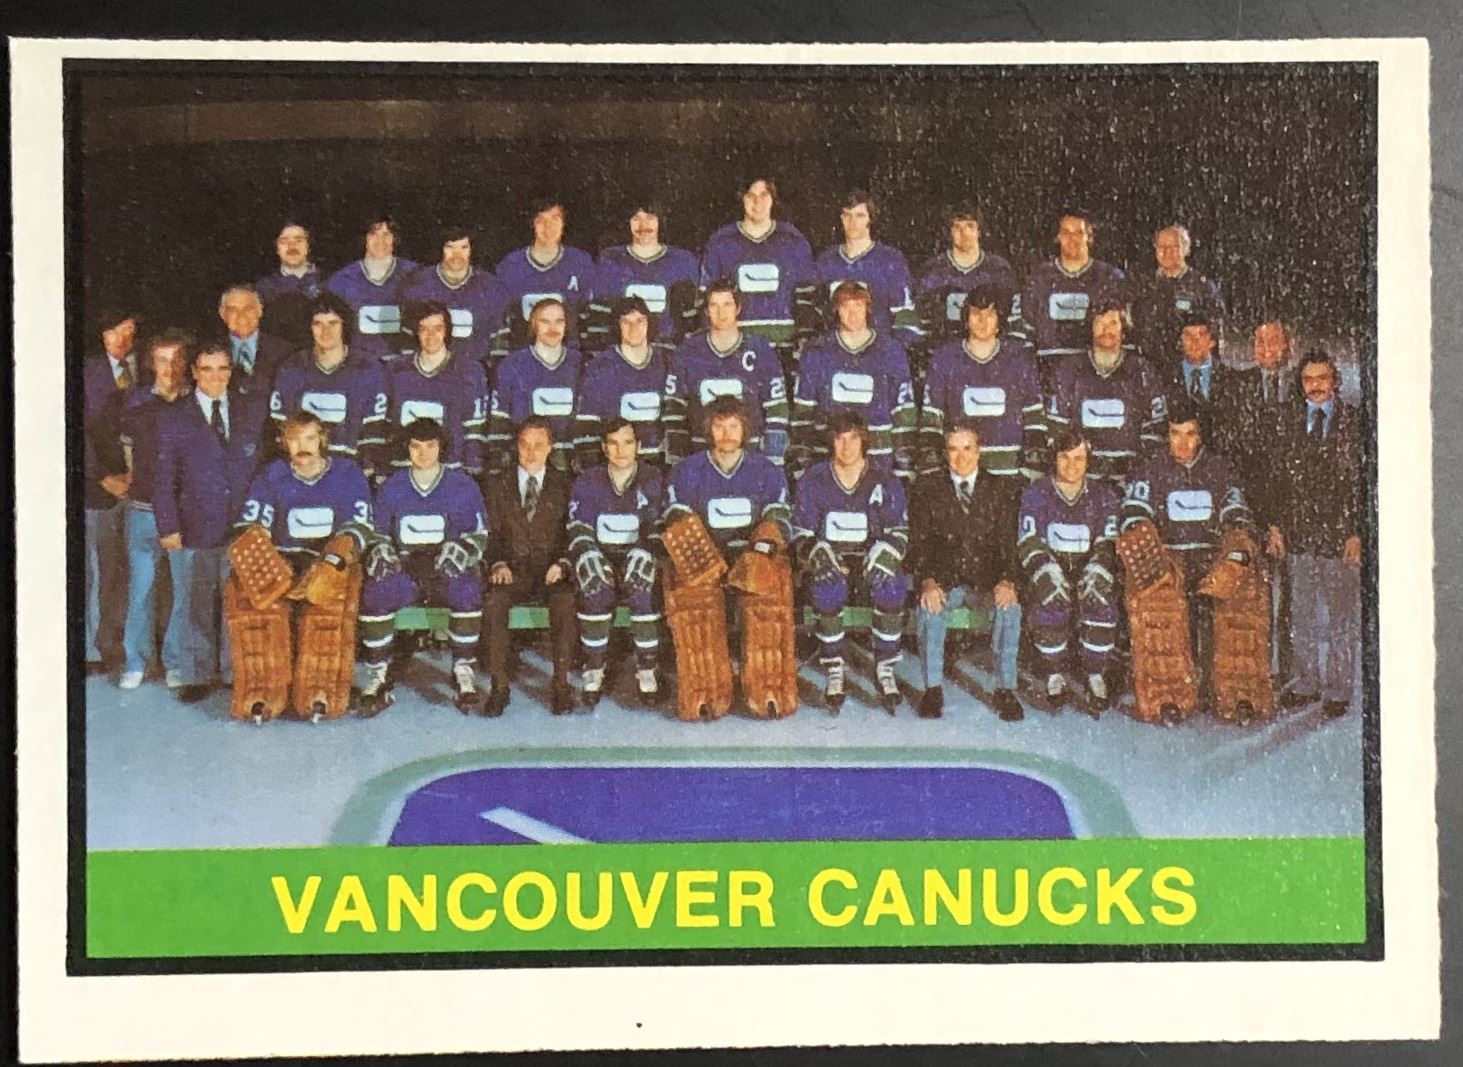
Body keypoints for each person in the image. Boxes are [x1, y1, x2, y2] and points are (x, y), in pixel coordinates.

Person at [228, 409, 373, 721]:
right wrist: (264, 556)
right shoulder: (272, 474)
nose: (302, 446)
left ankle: (320, 691)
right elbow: (254, 522)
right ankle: (261, 690)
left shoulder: (347, 474)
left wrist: (332, 560)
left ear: (322, 440)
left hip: (326, 561)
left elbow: (358, 526)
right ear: (284, 442)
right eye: (294, 439)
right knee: (255, 597)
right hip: (282, 561)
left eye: (309, 438)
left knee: (328, 604)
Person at [1119, 402, 1260, 724]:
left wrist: (1237, 550)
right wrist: (1150, 547)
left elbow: (1237, 513)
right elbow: (1133, 513)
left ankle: (1240, 693)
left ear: (1200, 436)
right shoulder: (1150, 470)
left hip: (1212, 557)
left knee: (1242, 593)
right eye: (1175, 434)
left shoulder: (1219, 469)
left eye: (1190, 434)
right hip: (1171, 558)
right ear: (1166, 436)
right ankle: (1167, 695)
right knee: (1159, 599)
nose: (1182, 443)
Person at [661, 396, 796, 721]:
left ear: (745, 429)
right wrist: (702, 557)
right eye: (719, 426)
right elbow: (677, 514)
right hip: (706, 556)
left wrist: (762, 547)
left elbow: (779, 515)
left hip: (751, 554)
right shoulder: (688, 470)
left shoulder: (766, 470)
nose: (726, 433)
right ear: (708, 429)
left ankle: (768, 691)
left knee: (768, 590)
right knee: (694, 601)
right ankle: (706, 694)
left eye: (733, 426)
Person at [154, 342, 271, 703]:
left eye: (222, 369)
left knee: (238, 601)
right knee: (196, 602)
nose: (215, 377)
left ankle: (236, 671)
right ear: (194, 372)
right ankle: (197, 674)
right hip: (194, 525)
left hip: (241, 525)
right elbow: (163, 477)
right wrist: (168, 525)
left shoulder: (250, 412)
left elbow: (263, 469)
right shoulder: (175, 417)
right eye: (207, 369)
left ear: (231, 372)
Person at [356, 418, 489, 716]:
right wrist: (382, 551)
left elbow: (479, 533)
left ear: (441, 448)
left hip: (445, 568)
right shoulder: (392, 486)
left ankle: (463, 670)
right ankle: (378, 673)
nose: (423, 453)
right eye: (416, 446)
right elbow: (377, 531)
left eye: (430, 446)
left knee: (467, 590)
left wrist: (462, 551)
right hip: (406, 567)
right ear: (407, 448)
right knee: (376, 592)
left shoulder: (462, 485)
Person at [1261, 351, 1363, 718]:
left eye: (1322, 378)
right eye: (1308, 379)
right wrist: (1274, 525)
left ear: (1335, 381)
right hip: (1299, 534)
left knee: (1341, 618)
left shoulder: (1355, 423)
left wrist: (1357, 532)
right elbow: (1275, 478)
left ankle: (1338, 689)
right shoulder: (1287, 422)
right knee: (1301, 614)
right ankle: (1306, 683)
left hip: (1340, 535)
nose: (1315, 385)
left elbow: (1364, 483)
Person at [792, 412, 910, 712]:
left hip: (869, 560)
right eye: (840, 439)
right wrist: (819, 554)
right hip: (833, 559)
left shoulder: (885, 480)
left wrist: (884, 553)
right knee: (827, 587)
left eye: (853, 438)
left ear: (864, 440)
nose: (846, 446)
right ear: (831, 441)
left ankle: (885, 666)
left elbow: (899, 529)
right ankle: (835, 667)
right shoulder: (814, 479)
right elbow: (802, 532)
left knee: (891, 586)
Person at [906, 421, 1024, 721]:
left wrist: (1007, 581)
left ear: (979, 451)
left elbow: (1009, 544)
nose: (961, 457)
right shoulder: (928, 489)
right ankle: (933, 689)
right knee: (929, 606)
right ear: (945, 453)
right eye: (953, 449)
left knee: (1010, 608)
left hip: (987, 583)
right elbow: (919, 545)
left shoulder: (1000, 489)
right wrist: (928, 582)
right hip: (947, 583)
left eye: (967, 448)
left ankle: (1005, 690)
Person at [1017, 428, 1122, 715]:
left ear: (1088, 460)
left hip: (1088, 569)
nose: (1071, 466)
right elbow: (1029, 539)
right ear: (1054, 458)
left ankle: (1095, 673)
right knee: (1050, 597)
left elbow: (1108, 541)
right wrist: (1047, 570)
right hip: (1052, 567)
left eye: (1079, 458)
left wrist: (1097, 569)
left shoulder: (1103, 495)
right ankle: (1054, 671)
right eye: (1064, 457)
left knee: (1100, 597)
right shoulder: (1037, 493)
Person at [480, 416, 577, 717]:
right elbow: (489, 533)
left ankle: (561, 684)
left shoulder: (566, 484)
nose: (531, 453)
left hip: (551, 571)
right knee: (494, 600)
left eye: (538, 445)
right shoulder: (498, 484)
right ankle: (499, 686)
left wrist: (563, 563)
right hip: (513, 570)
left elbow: (575, 531)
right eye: (524, 445)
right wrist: (497, 563)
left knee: (565, 601)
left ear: (550, 447)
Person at [567, 419, 666, 707]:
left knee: (643, 591)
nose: (620, 450)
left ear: (638, 446)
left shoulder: (653, 478)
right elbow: (579, 525)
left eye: (627, 443)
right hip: (603, 555)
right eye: (613, 443)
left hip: (638, 556)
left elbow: (660, 524)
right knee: (594, 588)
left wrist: (647, 550)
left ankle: (647, 669)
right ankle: (594, 668)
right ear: (604, 448)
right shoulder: (588, 480)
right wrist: (589, 554)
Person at [919, 281, 1047, 494]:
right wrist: (935, 474)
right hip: (961, 475)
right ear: (966, 319)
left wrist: (1029, 474)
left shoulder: (1019, 359)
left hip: (1009, 475)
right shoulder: (945, 359)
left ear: (1000, 320)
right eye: (976, 314)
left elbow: (1034, 419)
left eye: (990, 314)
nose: (982, 320)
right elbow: (931, 421)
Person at [116, 330, 190, 689]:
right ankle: (135, 661)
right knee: (141, 589)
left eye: (176, 360)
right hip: (143, 510)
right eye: (162, 360)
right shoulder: (136, 402)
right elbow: (128, 453)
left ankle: (175, 661)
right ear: (151, 363)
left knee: (181, 591)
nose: (169, 368)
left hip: (182, 513)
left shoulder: (194, 402)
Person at [791, 281, 917, 481]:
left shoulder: (891, 351)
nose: (852, 314)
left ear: (868, 308)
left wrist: (903, 464)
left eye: (858, 305)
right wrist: (803, 459)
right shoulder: (817, 351)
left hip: (879, 459)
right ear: (836, 310)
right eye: (845, 306)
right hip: (829, 459)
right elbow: (803, 413)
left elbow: (903, 412)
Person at [663, 278, 789, 465]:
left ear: (738, 308)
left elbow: (777, 408)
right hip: (701, 458)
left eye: (727, 304)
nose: (721, 313)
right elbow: (674, 409)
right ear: (706, 311)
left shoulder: (761, 350)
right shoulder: (688, 352)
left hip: (750, 458)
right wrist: (678, 461)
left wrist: (772, 460)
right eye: (714, 305)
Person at [1047, 298, 1168, 487]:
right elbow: (1058, 428)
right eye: (1100, 323)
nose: (1106, 330)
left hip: (1130, 478)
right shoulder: (1069, 369)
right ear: (1091, 327)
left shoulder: (1141, 370)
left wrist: (1138, 472)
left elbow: (1156, 428)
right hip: (1082, 479)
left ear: (1123, 328)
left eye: (1113, 323)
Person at [699, 177, 817, 368]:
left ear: (773, 199)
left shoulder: (792, 240)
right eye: (750, 196)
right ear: (742, 198)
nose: (757, 202)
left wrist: (802, 339)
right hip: (736, 348)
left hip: (784, 347)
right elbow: (707, 300)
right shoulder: (721, 242)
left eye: (764, 195)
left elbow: (807, 298)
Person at [268, 292, 390, 473]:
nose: (326, 331)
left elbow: (374, 433)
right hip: (302, 471)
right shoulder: (292, 368)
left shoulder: (368, 369)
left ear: (344, 326)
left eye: (333, 323)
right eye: (318, 324)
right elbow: (280, 429)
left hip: (348, 472)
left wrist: (364, 472)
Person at [82, 307, 142, 673]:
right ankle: (91, 648)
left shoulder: (143, 368)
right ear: (102, 334)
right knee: (96, 572)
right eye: (116, 332)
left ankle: (119, 643)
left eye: (130, 331)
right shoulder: (86, 372)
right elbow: (77, 429)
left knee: (127, 571)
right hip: (99, 488)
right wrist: (103, 477)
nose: (124, 339)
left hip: (137, 489)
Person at [1020, 208, 1128, 394]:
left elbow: (1124, 331)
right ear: (1058, 237)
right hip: (1048, 370)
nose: (1072, 239)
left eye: (1079, 232)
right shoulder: (1039, 278)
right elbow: (1025, 330)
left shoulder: (1110, 278)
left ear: (1089, 237)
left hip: (1096, 371)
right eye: (1066, 233)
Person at [384, 300, 491, 476]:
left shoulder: (468, 371)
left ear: (447, 331)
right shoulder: (396, 369)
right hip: (403, 471)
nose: (431, 336)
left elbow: (474, 433)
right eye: (424, 329)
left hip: (449, 472)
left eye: (437, 329)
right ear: (416, 332)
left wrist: (468, 473)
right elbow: (386, 425)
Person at [486, 297, 585, 473]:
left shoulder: (580, 364)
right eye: (545, 321)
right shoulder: (512, 365)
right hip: (525, 463)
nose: (553, 328)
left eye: (559, 321)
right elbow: (499, 425)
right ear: (533, 325)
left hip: (568, 466)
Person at [587, 199, 700, 349]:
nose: (643, 226)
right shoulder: (610, 261)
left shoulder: (682, 261)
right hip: (624, 354)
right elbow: (599, 320)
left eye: (650, 218)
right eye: (636, 219)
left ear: (660, 221)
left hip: (668, 352)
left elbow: (692, 323)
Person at [575, 296, 673, 468]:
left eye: (639, 321)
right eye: (626, 322)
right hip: (616, 464)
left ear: (649, 324)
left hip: (658, 463)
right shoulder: (601, 367)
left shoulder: (667, 361)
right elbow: (587, 424)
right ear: (617, 326)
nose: (633, 328)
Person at [402, 224, 513, 368]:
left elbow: (501, 342)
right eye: (450, 247)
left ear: (471, 249)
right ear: (441, 248)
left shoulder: (491, 287)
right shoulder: (419, 285)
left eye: (463, 247)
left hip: (476, 372)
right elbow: (407, 340)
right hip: (429, 373)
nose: (457, 255)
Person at [494, 198, 597, 349]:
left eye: (555, 218)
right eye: (541, 220)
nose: (549, 227)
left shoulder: (580, 263)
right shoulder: (511, 266)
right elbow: (501, 321)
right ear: (532, 224)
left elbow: (590, 319)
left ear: (564, 223)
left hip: (569, 357)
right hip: (523, 356)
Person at [813, 190, 917, 340]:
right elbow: (817, 313)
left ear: (871, 219)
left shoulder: (890, 260)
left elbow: (905, 317)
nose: (852, 222)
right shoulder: (826, 261)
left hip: (879, 348)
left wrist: (895, 349)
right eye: (847, 215)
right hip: (837, 348)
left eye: (860, 215)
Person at [913, 204, 1022, 347]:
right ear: (950, 232)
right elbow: (922, 325)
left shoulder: (999, 270)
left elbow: (1014, 323)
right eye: (957, 227)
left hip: (990, 353)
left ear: (979, 231)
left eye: (970, 226)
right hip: (945, 353)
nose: (964, 233)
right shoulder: (933, 271)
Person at [326, 213, 421, 366]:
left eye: (386, 234)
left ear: (395, 238)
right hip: (359, 367)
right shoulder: (341, 281)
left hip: (404, 366)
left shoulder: (415, 275)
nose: (380, 241)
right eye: (373, 234)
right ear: (364, 238)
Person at [1129, 224, 1225, 366]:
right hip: (1149, 365)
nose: (1167, 252)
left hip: (1188, 367)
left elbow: (1214, 334)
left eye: (1174, 247)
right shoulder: (1143, 285)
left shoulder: (1202, 287)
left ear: (1186, 249)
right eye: (1162, 246)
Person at [1165, 308, 1244, 462]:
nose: (1195, 342)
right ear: (1180, 340)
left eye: (1201, 335)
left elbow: (1235, 429)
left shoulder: (1232, 380)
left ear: (1212, 341)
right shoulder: (1165, 378)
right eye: (1188, 335)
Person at [253, 219, 325, 347]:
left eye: (299, 240)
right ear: (276, 248)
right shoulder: (264, 288)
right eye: (284, 241)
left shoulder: (328, 281)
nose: (292, 247)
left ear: (308, 246)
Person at [217, 285, 294, 402]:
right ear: (222, 314)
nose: (241, 316)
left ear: (260, 311)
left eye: (248, 309)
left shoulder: (284, 351)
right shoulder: (210, 351)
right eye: (233, 310)